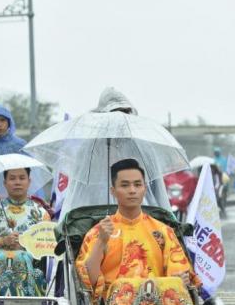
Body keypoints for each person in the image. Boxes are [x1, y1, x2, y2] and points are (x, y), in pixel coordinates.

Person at [75, 159, 200, 305]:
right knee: (123, 286)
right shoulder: (98, 232)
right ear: (113, 191)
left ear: (144, 188)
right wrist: (102, 241)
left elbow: (178, 271)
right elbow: (90, 281)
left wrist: (181, 277)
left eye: (137, 185)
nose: (132, 190)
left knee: (176, 286)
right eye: (124, 185)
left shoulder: (163, 231)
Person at [58, 87, 171, 218]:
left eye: (123, 114)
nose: (119, 120)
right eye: (114, 114)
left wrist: (171, 225)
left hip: (138, 220)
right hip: (96, 220)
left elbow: (159, 193)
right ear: (102, 116)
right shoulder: (87, 150)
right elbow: (75, 194)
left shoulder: (143, 149)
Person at [0, 167, 51, 297]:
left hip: (29, 258)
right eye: (12, 178)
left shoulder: (40, 213)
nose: (17, 182)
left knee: (21, 257)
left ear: (29, 181)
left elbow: (48, 242)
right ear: (5, 183)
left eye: (22, 178)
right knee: (0, 258)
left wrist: (24, 245)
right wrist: (1, 242)